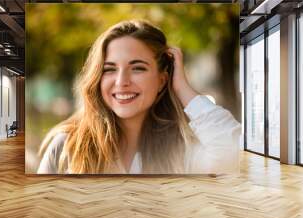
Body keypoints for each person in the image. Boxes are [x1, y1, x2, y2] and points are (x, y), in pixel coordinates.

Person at [37, 20, 241, 174]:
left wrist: (182, 88)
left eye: (137, 68)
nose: (121, 81)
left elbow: (231, 153)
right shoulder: (66, 147)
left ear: (162, 80)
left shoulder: (181, 151)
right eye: (109, 69)